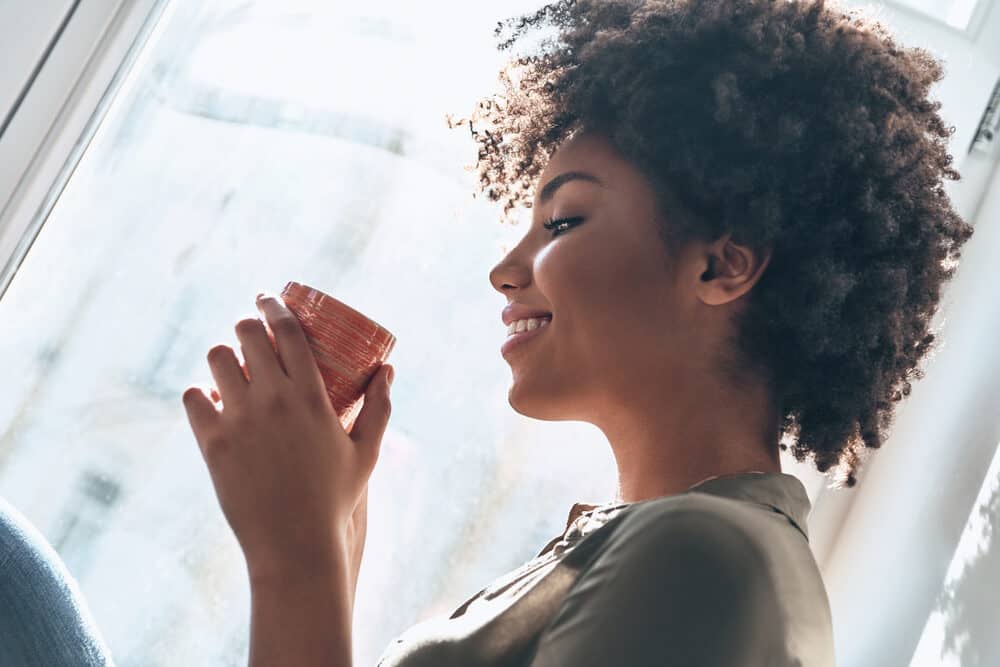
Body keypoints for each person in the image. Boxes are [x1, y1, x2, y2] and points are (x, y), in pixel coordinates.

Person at [1, 0, 975, 665]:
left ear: (721, 266)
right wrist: (335, 531)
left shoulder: (707, 556)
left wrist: (292, 555)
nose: (507, 268)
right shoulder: (652, 543)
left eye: (562, 221)